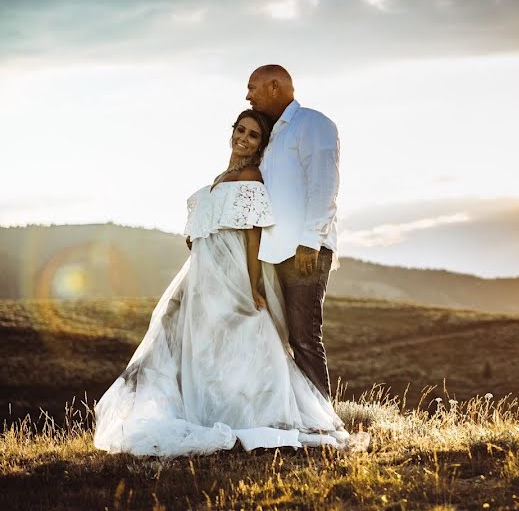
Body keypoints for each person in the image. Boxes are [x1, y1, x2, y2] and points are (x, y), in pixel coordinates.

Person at [93, 110, 351, 456]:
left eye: (253, 135)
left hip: (232, 273)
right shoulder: (221, 176)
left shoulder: (251, 175)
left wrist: (254, 284)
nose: (243, 138)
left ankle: (260, 416)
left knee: (244, 339)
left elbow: (253, 233)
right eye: (240, 130)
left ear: (261, 145)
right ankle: (209, 410)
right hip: (204, 273)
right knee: (205, 345)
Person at [245, 65, 340, 400]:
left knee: (303, 336)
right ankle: (291, 414)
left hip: (302, 251)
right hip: (270, 253)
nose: (248, 95)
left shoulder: (312, 124)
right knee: (272, 339)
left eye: (253, 87)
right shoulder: (271, 135)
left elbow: (324, 184)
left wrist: (310, 241)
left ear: (274, 86)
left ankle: (321, 423)